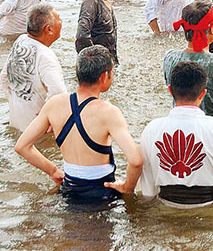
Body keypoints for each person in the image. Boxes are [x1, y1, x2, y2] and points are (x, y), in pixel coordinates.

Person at [13, 45, 143, 202]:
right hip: (101, 196)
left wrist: (53, 170)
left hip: (68, 192)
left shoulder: (54, 104)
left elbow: (22, 146)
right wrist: (126, 189)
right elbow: (136, 161)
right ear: (104, 76)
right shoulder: (109, 112)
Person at [140, 61, 213, 207]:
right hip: (209, 207)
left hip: (167, 206)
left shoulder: (152, 129)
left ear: (170, 91)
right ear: (203, 93)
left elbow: (147, 191)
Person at [0, 4, 66, 131]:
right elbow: (58, 92)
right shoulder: (45, 55)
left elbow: (4, 77)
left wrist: (15, 102)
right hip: (38, 128)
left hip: (16, 121)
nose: (61, 22)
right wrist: (48, 116)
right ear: (49, 29)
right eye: (59, 19)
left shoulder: (21, 40)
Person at [76, 0, 118, 64]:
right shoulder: (90, 4)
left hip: (109, 61)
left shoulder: (105, 1)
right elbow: (82, 37)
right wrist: (94, 61)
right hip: (98, 67)